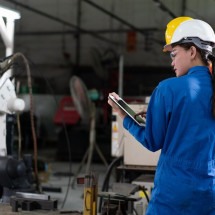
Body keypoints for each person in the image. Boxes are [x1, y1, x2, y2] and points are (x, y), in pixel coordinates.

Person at [108, 17, 215, 215]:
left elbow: (151, 140)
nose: (172, 62)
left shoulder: (168, 88)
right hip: (210, 194)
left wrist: (124, 116)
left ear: (192, 51)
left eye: (174, 54)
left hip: (173, 194)